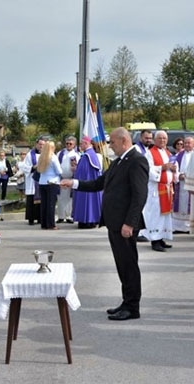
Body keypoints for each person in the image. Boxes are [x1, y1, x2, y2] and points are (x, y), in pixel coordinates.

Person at [61, 127, 149, 321]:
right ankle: (126, 302)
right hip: (114, 223)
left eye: (112, 143)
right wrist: (73, 183)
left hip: (125, 224)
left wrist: (130, 223)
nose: (110, 146)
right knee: (122, 265)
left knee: (129, 266)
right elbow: (99, 183)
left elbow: (139, 195)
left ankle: (133, 307)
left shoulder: (136, 161)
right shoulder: (119, 161)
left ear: (124, 140)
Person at [139, 130, 176, 251]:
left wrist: (175, 169)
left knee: (164, 216)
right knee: (156, 215)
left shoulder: (167, 152)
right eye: (160, 138)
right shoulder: (149, 153)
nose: (162, 141)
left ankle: (161, 238)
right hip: (156, 189)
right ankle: (155, 240)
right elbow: (147, 169)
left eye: (164, 138)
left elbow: (172, 166)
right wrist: (162, 168)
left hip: (167, 188)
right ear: (155, 140)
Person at [72, 136, 103, 228]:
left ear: (86, 143)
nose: (80, 145)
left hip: (86, 183)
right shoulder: (90, 154)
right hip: (88, 181)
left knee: (87, 201)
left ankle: (87, 220)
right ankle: (89, 220)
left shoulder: (88, 156)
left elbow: (85, 172)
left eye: (81, 144)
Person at [171, 136, 194, 233]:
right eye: (185, 143)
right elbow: (174, 168)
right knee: (181, 204)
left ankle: (190, 227)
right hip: (181, 185)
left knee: (192, 205)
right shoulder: (179, 155)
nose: (186, 145)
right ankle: (179, 227)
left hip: (193, 185)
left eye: (189, 143)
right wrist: (178, 175)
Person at [37, 141, 63, 230]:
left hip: (42, 182)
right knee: (51, 204)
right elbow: (59, 171)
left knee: (44, 204)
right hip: (52, 182)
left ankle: (43, 223)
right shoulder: (53, 157)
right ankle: (51, 224)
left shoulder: (41, 157)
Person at [21, 137, 45, 225]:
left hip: (42, 180)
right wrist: (33, 167)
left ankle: (40, 218)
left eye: (43, 144)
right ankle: (31, 219)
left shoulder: (46, 155)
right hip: (32, 180)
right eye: (40, 144)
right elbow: (25, 167)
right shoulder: (29, 155)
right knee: (31, 200)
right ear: (36, 144)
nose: (41, 146)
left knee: (41, 200)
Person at [56, 136, 79, 224]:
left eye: (71, 144)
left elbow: (79, 167)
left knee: (70, 199)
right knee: (60, 198)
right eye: (67, 143)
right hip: (61, 179)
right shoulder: (60, 153)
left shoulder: (77, 155)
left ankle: (69, 216)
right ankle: (61, 216)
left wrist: (75, 169)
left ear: (74, 145)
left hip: (71, 179)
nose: (68, 145)